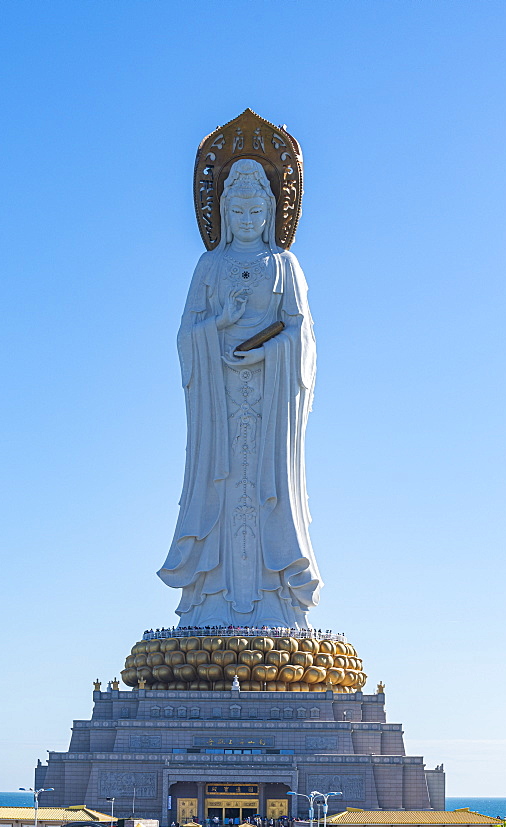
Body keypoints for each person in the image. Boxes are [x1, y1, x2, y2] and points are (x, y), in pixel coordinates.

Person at [158, 158, 321, 628]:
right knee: (220, 487)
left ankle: (277, 602)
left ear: (270, 213)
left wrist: (270, 352)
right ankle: (211, 600)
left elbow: (302, 334)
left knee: (269, 488)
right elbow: (187, 334)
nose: (248, 221)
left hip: (270, 405)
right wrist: (222, 324)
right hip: (220, 403)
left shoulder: (286, 266)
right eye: (239, 212)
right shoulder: (210, 265)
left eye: (256, 212)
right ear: (225, 213)